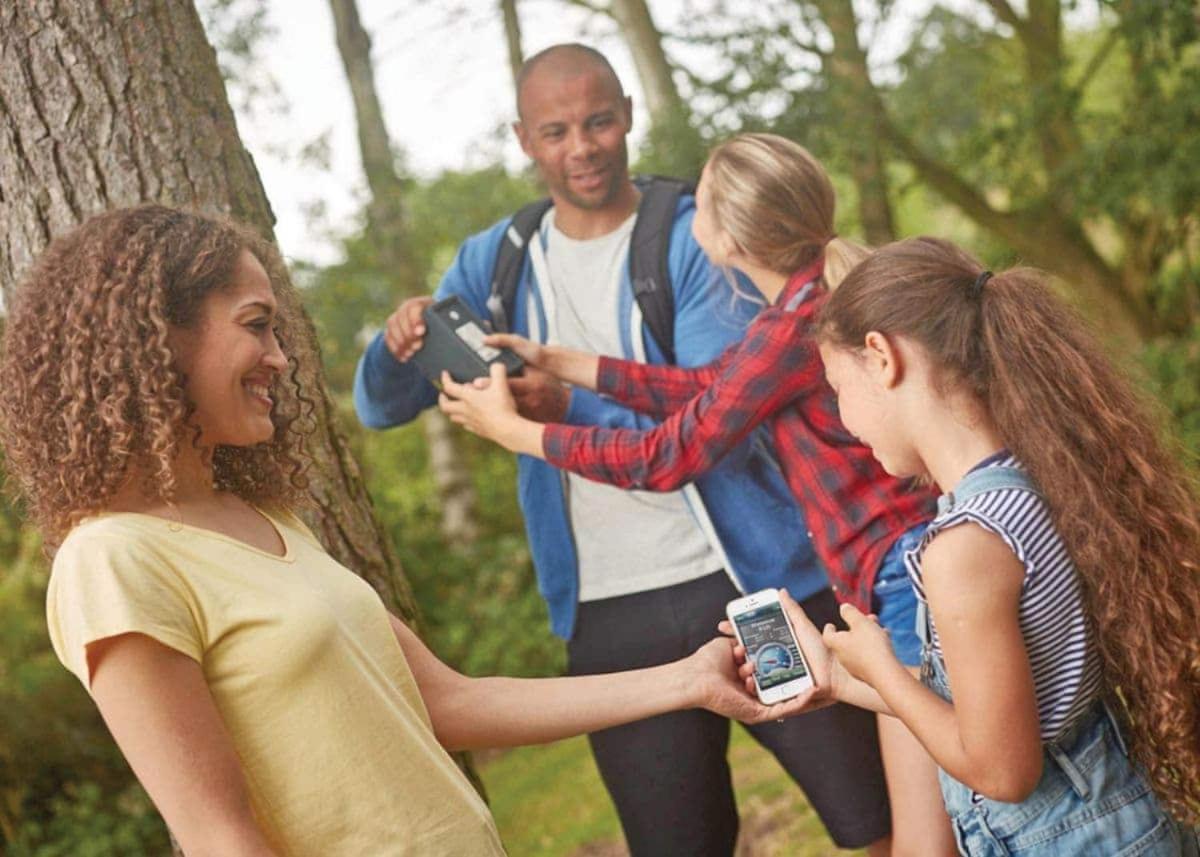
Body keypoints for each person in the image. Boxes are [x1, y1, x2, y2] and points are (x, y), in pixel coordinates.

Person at [0, 204, 807, 857]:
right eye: (256, 325)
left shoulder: (265, 520)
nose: (281, 358)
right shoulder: (112, 559)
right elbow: (220, 836)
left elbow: (450, 699)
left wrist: (688, 679)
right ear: (160, 336)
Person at [354, 46, 893, 856]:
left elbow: (712, 414)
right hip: (611, 617)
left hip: (746, 586)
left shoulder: (694, 236)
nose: (583, 146)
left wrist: (555, 411)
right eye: (557, 129)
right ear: (525, 138)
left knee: (872, 820)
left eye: (599, 120)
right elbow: (377, 405)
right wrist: (398, 344)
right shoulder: (495, 259)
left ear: (629, 114)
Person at [439, 133, 955, 855]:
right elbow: (706, 390)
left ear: (730, 233)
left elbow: (671, 450)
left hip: (899, 584)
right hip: (896, 577)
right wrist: (564, 362)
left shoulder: (794, 323)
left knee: (923, 841)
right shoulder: (802, 308)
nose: (686, 214)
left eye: (700, 202)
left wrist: (518, 435)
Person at [775, 236, 1200, 854]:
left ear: (881, 357)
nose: (844, 421)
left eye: (837, 388)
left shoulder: (965, 549)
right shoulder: (1032, 484)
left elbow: (1003, 770)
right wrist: (842, 678)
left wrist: (887, 674)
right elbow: (989, 705)